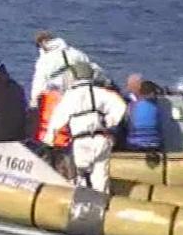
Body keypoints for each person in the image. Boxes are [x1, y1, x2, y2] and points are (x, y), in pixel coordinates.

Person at [43, 62, 127, 193]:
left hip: (81, 140)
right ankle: (103, 204)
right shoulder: (101, 92)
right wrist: (110, 122)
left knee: (82, 177)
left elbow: (57, 120)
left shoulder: (70, 96)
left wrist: (49, 139)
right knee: (101, 177)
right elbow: (121, 106)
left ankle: (84, 204)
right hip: (101, 139)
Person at [29, 30, 91, 109]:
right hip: (84, 95)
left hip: (62, 99)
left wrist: (33, 104)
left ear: (43, 42)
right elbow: (90, 70)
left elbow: (39, 84)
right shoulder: (78, 54)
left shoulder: (44, 61)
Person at [125, 80, 162, 151]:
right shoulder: (156, 107)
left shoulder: (131, 105)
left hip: (134, 144)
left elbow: (127, 123)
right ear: (153, 93)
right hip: (154, 144)